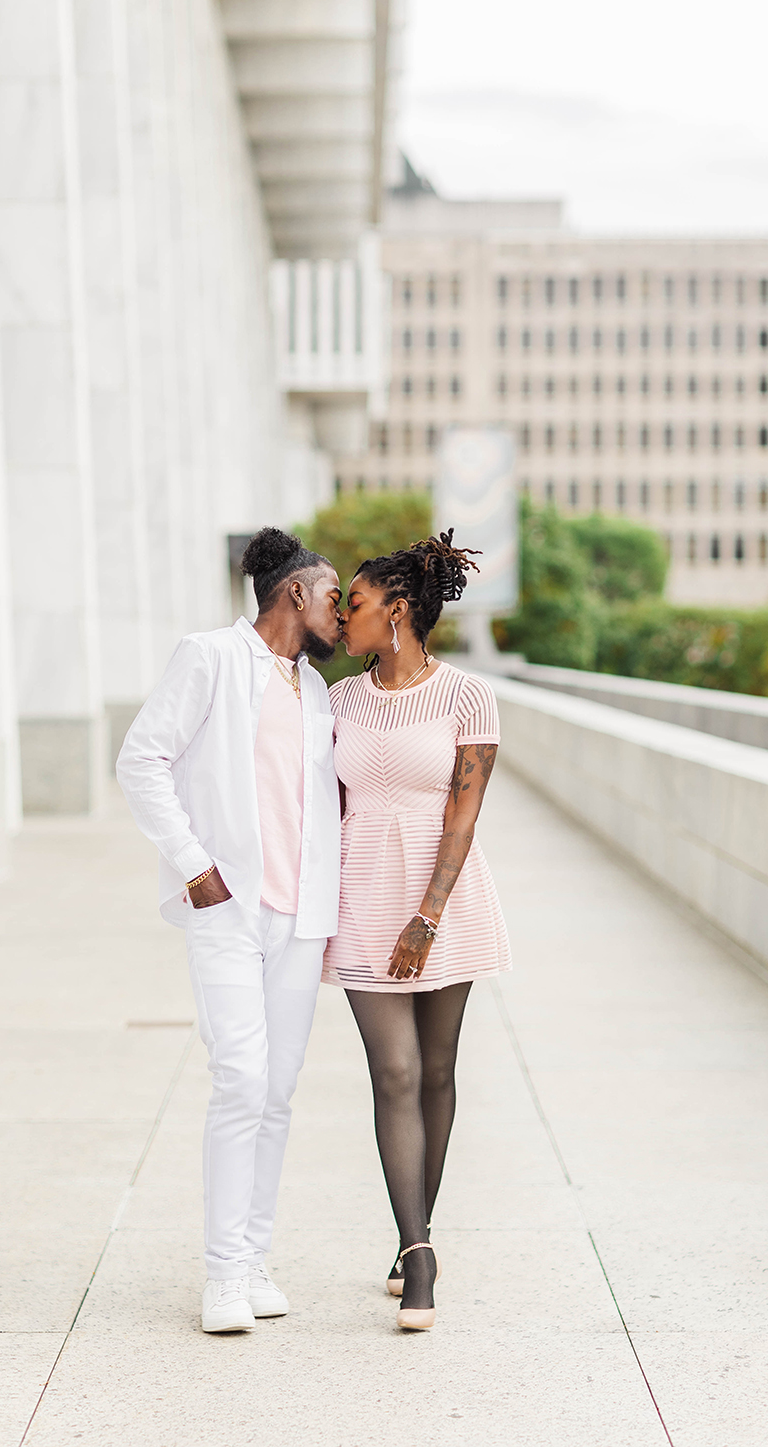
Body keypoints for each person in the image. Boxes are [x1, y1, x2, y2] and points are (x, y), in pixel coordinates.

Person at [117, 528, 344, 1334]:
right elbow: (140, 759)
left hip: (300, 918)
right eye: (332, 597)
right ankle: (220, 1276)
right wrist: (194, 865)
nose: (341, 613)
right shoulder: (209, 657)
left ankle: (252, 1259)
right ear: (294, 594)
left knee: (277, 1093)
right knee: (240, 1079)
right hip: (228, 910)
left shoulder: (314, 691)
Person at [323, 531, 508, 1332]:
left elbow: (462, 816)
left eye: (354, 604)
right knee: (393, 1073)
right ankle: (420, 1248)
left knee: (437, 1072)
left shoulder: (467, 698)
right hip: (361, 897)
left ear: (398, 612)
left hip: (445, 897)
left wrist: (428, 915)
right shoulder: (334, 701)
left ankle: (408, 1238)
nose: (342, 615)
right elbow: (318, 811)